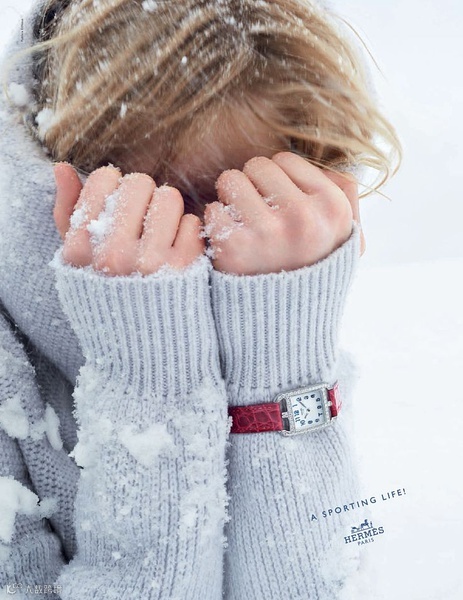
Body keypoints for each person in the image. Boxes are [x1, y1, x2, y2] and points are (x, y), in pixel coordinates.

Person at [0, 0, 401, 598]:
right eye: (154, 213)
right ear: (53, 193)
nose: (212, 255)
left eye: (260, 207)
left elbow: (320, 583)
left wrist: (284, 353)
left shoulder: (273, 288)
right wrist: (148, 377)